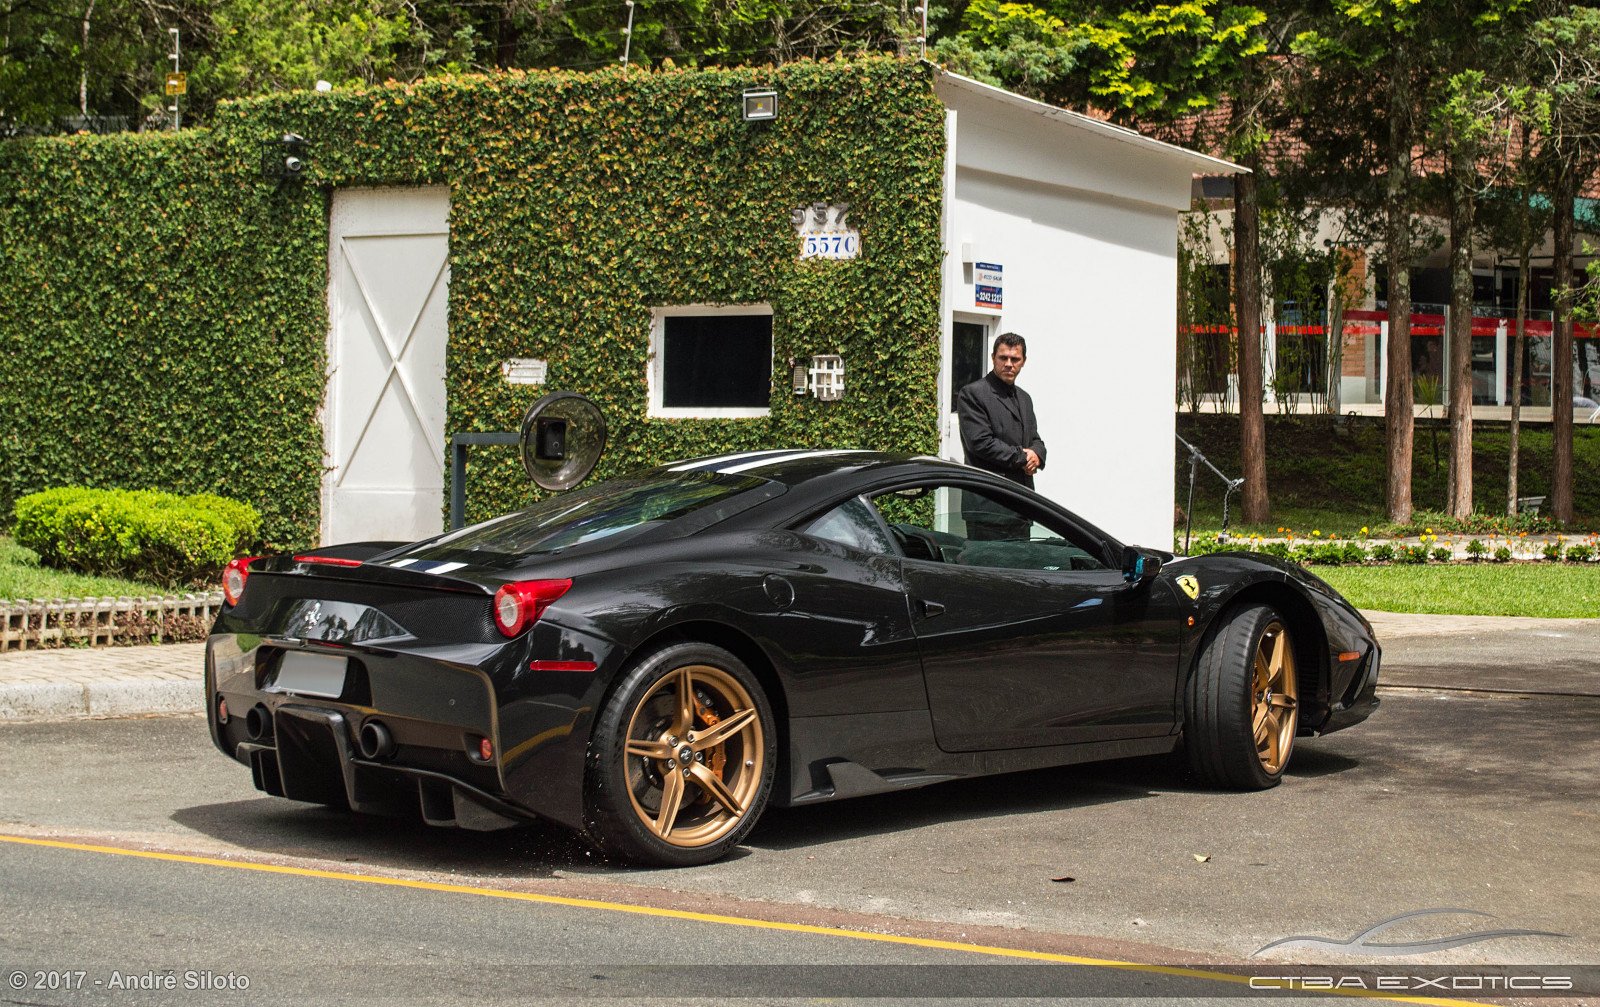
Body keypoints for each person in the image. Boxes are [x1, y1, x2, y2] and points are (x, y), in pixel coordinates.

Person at [956, 333, 1046, 540]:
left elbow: (1035, 439)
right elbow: (981, 443)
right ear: (992, 357)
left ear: (1023, 361)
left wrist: (1037, 456)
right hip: (988, 508)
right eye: (1003, 358)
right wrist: (1024, 458)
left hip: (1022, 506)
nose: (1009, 364)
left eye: (1015, 359)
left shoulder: (1024, 398)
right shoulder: (973, 394)